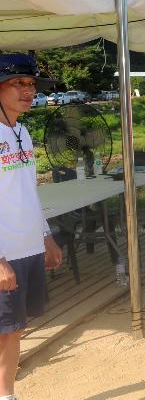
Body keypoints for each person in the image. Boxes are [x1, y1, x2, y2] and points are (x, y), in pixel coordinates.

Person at [0, 54, 63, 400]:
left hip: (28, 248)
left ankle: (6, 394)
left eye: (31, 85)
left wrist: (46, 236)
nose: (28, 91)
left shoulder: (22, 131)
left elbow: (28, 191)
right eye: (17, 84)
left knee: (14, 330)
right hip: (4, 252)